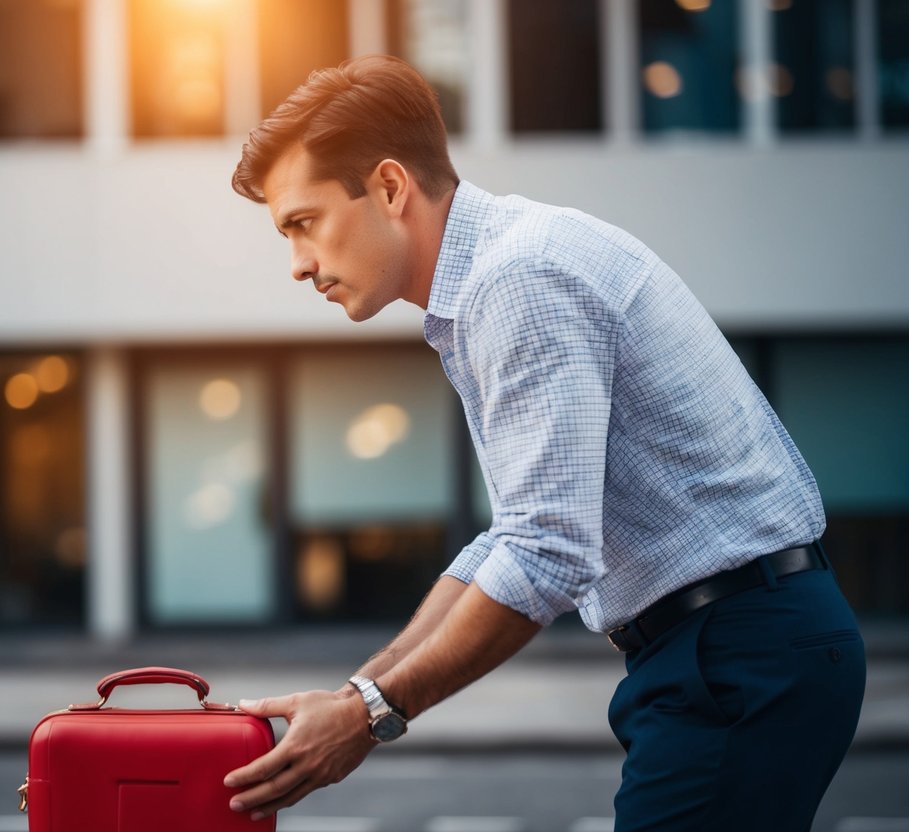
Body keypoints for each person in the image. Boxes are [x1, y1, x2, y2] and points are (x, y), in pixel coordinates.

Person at [222, 55, 866, 831]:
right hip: (731, 648)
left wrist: (370, 715)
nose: (298, 265)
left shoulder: (519, 281)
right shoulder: (500, 272)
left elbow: (547, 552)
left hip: (735, 656)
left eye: (303, 223)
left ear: (389, 188)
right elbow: (515, 536)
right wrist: (357, 694)